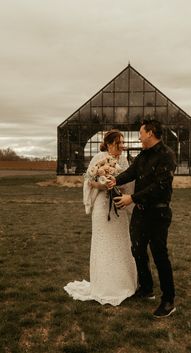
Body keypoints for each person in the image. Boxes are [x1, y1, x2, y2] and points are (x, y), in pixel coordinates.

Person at [108, 119, 176, 317]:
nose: (139, 136)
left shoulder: (167, 155)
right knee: (137, 249)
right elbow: (131, 172)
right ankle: (146, 290)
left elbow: (160, 186)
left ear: (151, 133)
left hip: (159, 212)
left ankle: (168, 300)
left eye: (141, 132)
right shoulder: (142, 155)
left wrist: (132, 198)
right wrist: (115, 180)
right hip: (141, 211)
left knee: (159, 254)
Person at [64, 129, 137, 306]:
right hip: (101, 207)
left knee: (120, 242)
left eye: (122, 142)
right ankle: (104, 285)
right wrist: (104, 184)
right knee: (103, 243)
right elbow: (89, 180)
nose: (122, 146)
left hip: (117, 205)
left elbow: (128, 182)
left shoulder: (124, 160)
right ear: (111, 143)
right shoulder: (99, 158)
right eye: (119, 142)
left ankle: (122, 284)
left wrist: (119, 187)